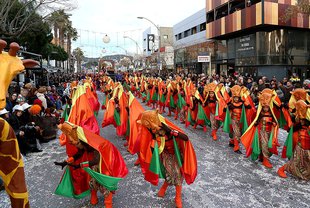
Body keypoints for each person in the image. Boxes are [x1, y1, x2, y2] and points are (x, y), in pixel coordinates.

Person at [55, 122, 128, 207]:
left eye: (77, 144)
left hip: (105, 161)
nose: (76, 146)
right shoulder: (83, 141)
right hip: (95, 162)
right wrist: (68, 161)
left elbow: (96, 160)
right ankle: (94, 198)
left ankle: (108, 204)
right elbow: (80, 152)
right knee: (91, 180)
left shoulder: (95, 144)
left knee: (105, 182)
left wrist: (80, 165)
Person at [136, 110, 197, 208]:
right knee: (174, 173)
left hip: (177, 153)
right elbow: (147, 146)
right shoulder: (150, 131)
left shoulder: (167, 128)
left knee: (176, 173)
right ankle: (176, 196)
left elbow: (185, 138)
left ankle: (173, 194)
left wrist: (170, 131)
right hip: (165, 154)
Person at [278, 100, 310, 180]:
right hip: (300, 146)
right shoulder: (297, 121)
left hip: (307, 147)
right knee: (295, 162)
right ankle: (282, 169)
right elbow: (291, 127)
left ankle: (304, 174)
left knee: (307, 163)